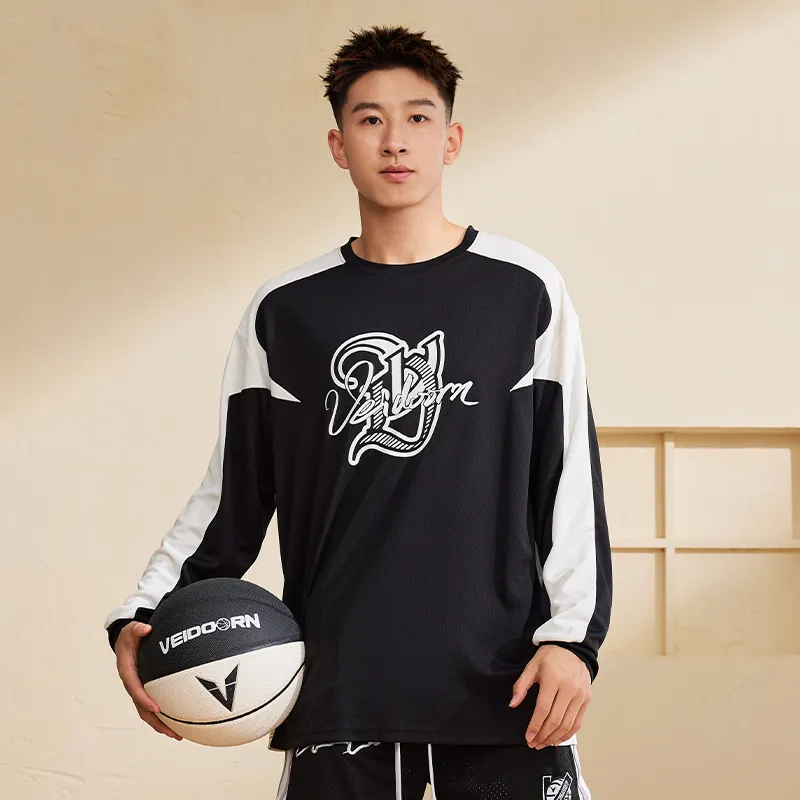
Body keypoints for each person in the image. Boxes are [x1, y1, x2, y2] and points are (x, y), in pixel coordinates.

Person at [105, 23, 612, 800]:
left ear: (451, 139)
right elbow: (232, 496)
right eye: (370, 119)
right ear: (339, 145)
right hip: (342, 694)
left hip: (509, 691)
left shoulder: (523, 290)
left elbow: (569, 478)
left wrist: (573, 640)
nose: (395, 140)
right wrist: (141, 615)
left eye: (418, 117)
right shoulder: (286, 311)